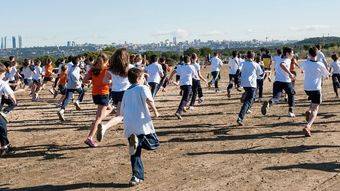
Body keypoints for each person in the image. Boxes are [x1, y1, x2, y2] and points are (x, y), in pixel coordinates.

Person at [120, 67, 159, 186]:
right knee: (154, 143)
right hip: (141, 124)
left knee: (135, 153)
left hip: (129, 124)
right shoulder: (143, 87)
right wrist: (155, 111)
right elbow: (149, 100)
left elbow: (121, 111)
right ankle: (138, 141)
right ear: (138, 79)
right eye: (143, 77)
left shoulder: (126, 92)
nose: (144, 79)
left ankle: (136, 176)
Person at [96, 48, 133, 142]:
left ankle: (132, 135)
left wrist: (113, 82)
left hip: (115, 93)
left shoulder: (110, 70)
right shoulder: (130, 68)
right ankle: (105, 127)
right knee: (120, 116)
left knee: (125, 115)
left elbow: (105, 81)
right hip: (126, 93)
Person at [83, 54, 112, 147]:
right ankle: (90, 137)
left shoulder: (92, 69)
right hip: (104, 93)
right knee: (99, 117)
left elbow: (84, 80)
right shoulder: (107, 69)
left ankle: (96, 122)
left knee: (110, 108)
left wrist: (92, 81)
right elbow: (111, 80)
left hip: (95, 94)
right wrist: (110, 82)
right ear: (106, 61)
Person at [300, 47, 329, 137]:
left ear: (309, 54)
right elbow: (327, 76)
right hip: (316, 88)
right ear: (317, 54)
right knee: (316, 108)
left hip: (307, 88)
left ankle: (309, 110)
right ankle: (308, 126)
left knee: (313, 102)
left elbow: (302, 70)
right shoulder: (320, 64)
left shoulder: (305, 63)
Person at [261, 47, 296, 117]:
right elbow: (282, 65)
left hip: (277, 81)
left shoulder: (278, 58)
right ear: (287, 53)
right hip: (286, 81)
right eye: (292, 53)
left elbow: (276, 63)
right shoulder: (287, 59)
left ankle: (269, 103)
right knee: (291, 94)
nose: (293, 54)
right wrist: (290, 74)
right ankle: (290, 111)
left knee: (276, 98)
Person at [236, 51, 263, 126]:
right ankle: (240, 117)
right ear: (253, 57)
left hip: (244, 84)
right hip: (252, 84)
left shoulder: (243, 63)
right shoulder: (256, 64)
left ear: (247, 56)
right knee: (248, 101)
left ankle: (245, 96)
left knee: (253, 97)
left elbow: (238, 71)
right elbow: (260, 74)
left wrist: (237, 82)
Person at [169, 55, 197, 120]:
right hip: (188, 84)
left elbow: (173, 72)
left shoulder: (180, 66)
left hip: (182, 85)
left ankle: (184, 106)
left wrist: (170, 78)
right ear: (189, 60)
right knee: (184, 98)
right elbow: (195, 75)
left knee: (191, 94)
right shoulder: (191, 67)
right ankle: (179, 112)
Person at [57, 56, 85, 121]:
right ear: (78, 62)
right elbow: (76, 75)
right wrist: (80, 80)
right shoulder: (77, 68)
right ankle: (77, 102)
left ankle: (61, 110)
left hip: (69, 84)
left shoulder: (70, 67)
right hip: (76, 84)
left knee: (67, 98)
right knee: (82, 91)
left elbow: (68, 74)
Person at [0, 63, 17, 157]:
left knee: (2, 126)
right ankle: (4, 147)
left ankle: (5, 145)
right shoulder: (2, 83)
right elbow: (12, 98)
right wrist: (13, 102)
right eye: (3, 73)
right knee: (2, 128)